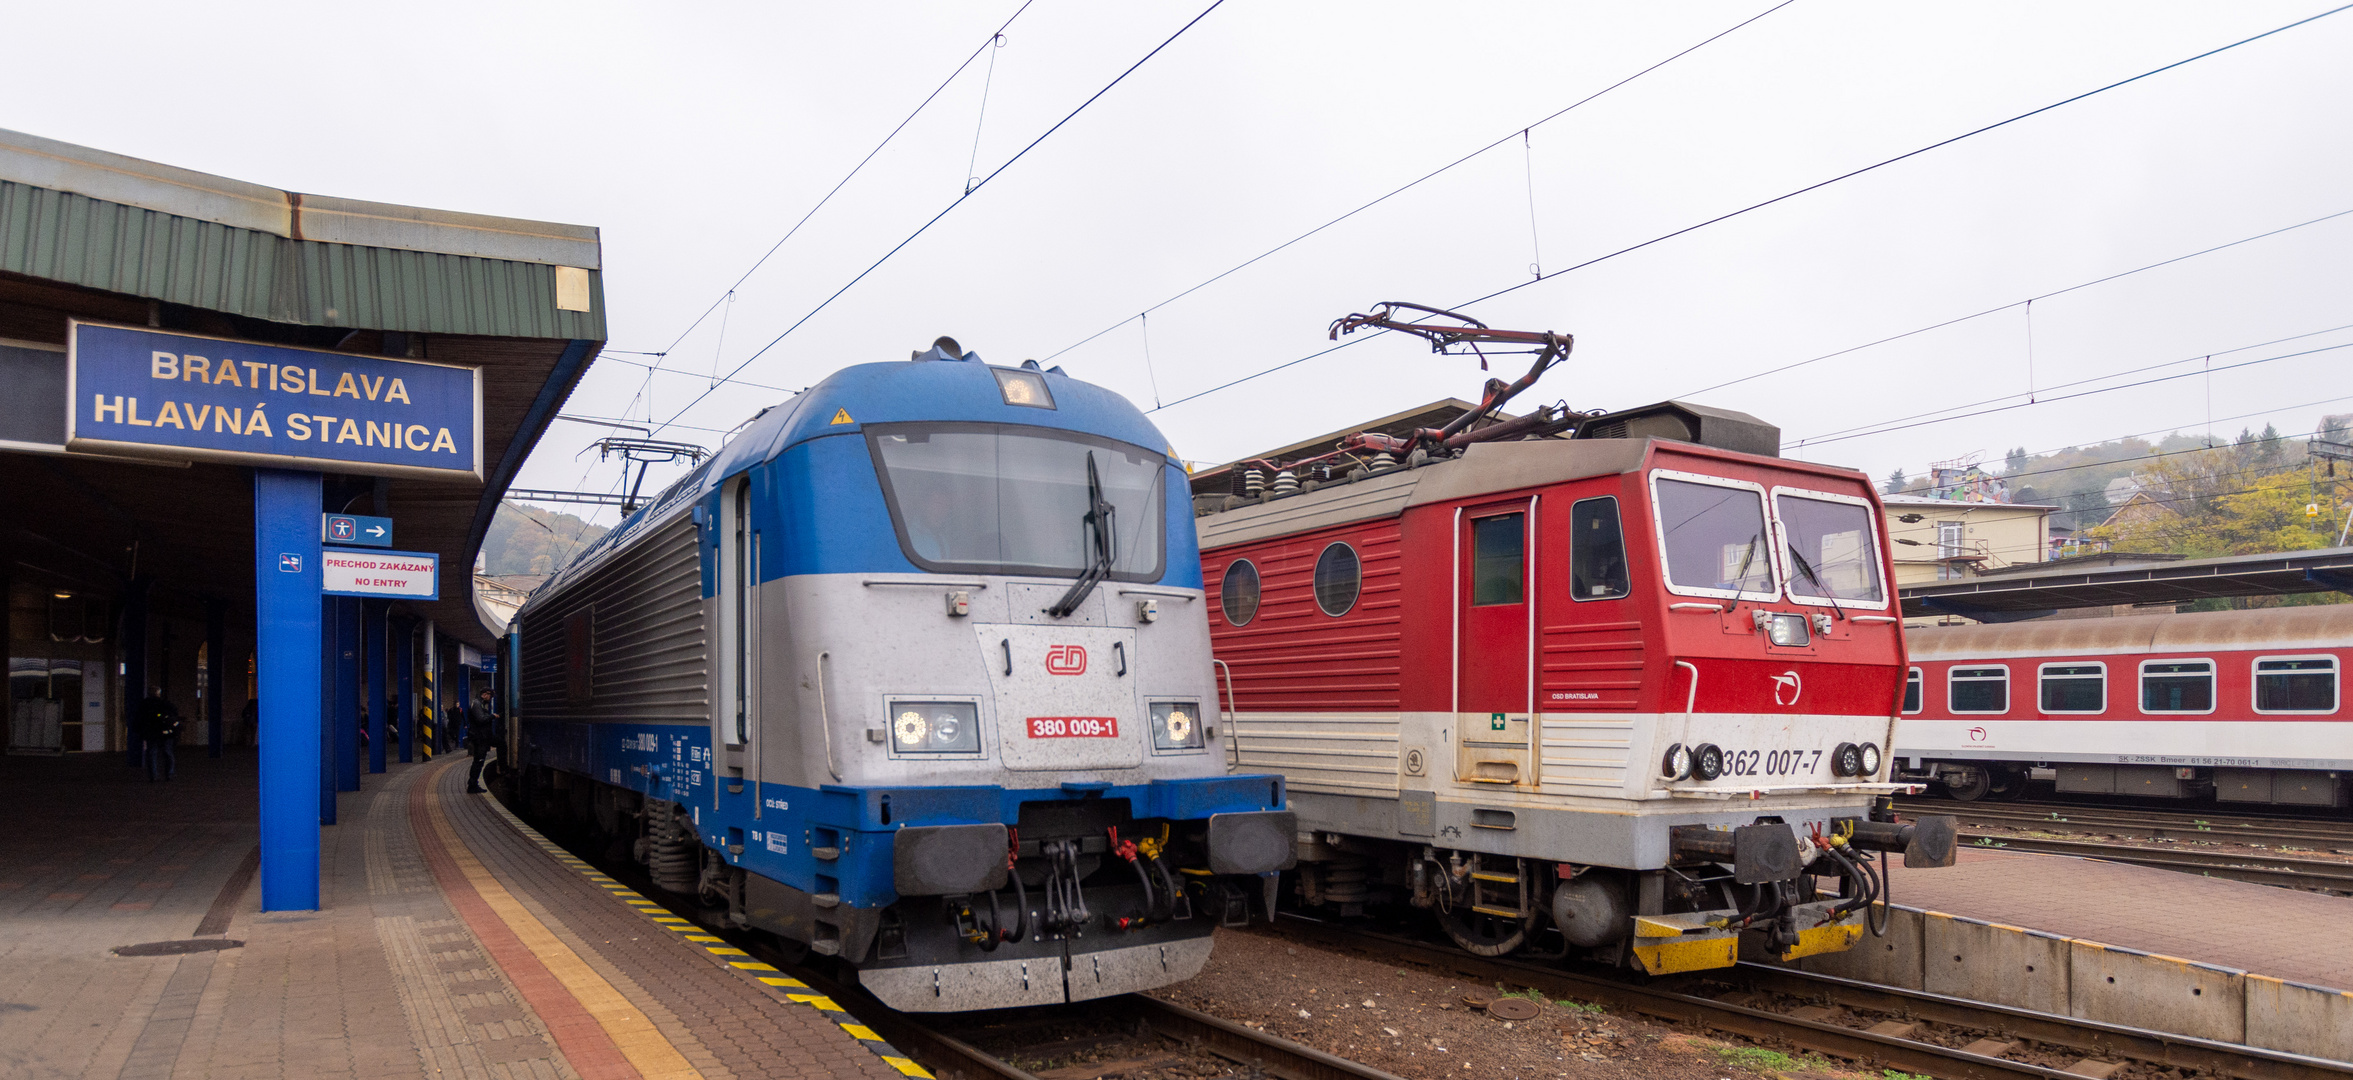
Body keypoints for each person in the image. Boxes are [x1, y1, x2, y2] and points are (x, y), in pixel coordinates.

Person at [135, 695, 181, 781]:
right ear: (159, 693)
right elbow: (174, 714)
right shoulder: (165, 704)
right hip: (166, 733)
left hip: (151, 733)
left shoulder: (144, 705)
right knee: (168, 752)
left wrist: (141, 732)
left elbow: (138, 720)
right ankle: (169, 774)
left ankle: (153, 775)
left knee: (152, 752)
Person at [465, 689, 498, 794]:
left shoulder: (479, 703)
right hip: (479, 737)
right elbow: (480, 719)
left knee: (479, 761)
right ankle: (472, 785)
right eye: (490, 696)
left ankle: (473, 784)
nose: (490, 699)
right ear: (485, 694)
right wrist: (492, 716)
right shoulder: (477, 704)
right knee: (478, 761)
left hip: (482, 737)